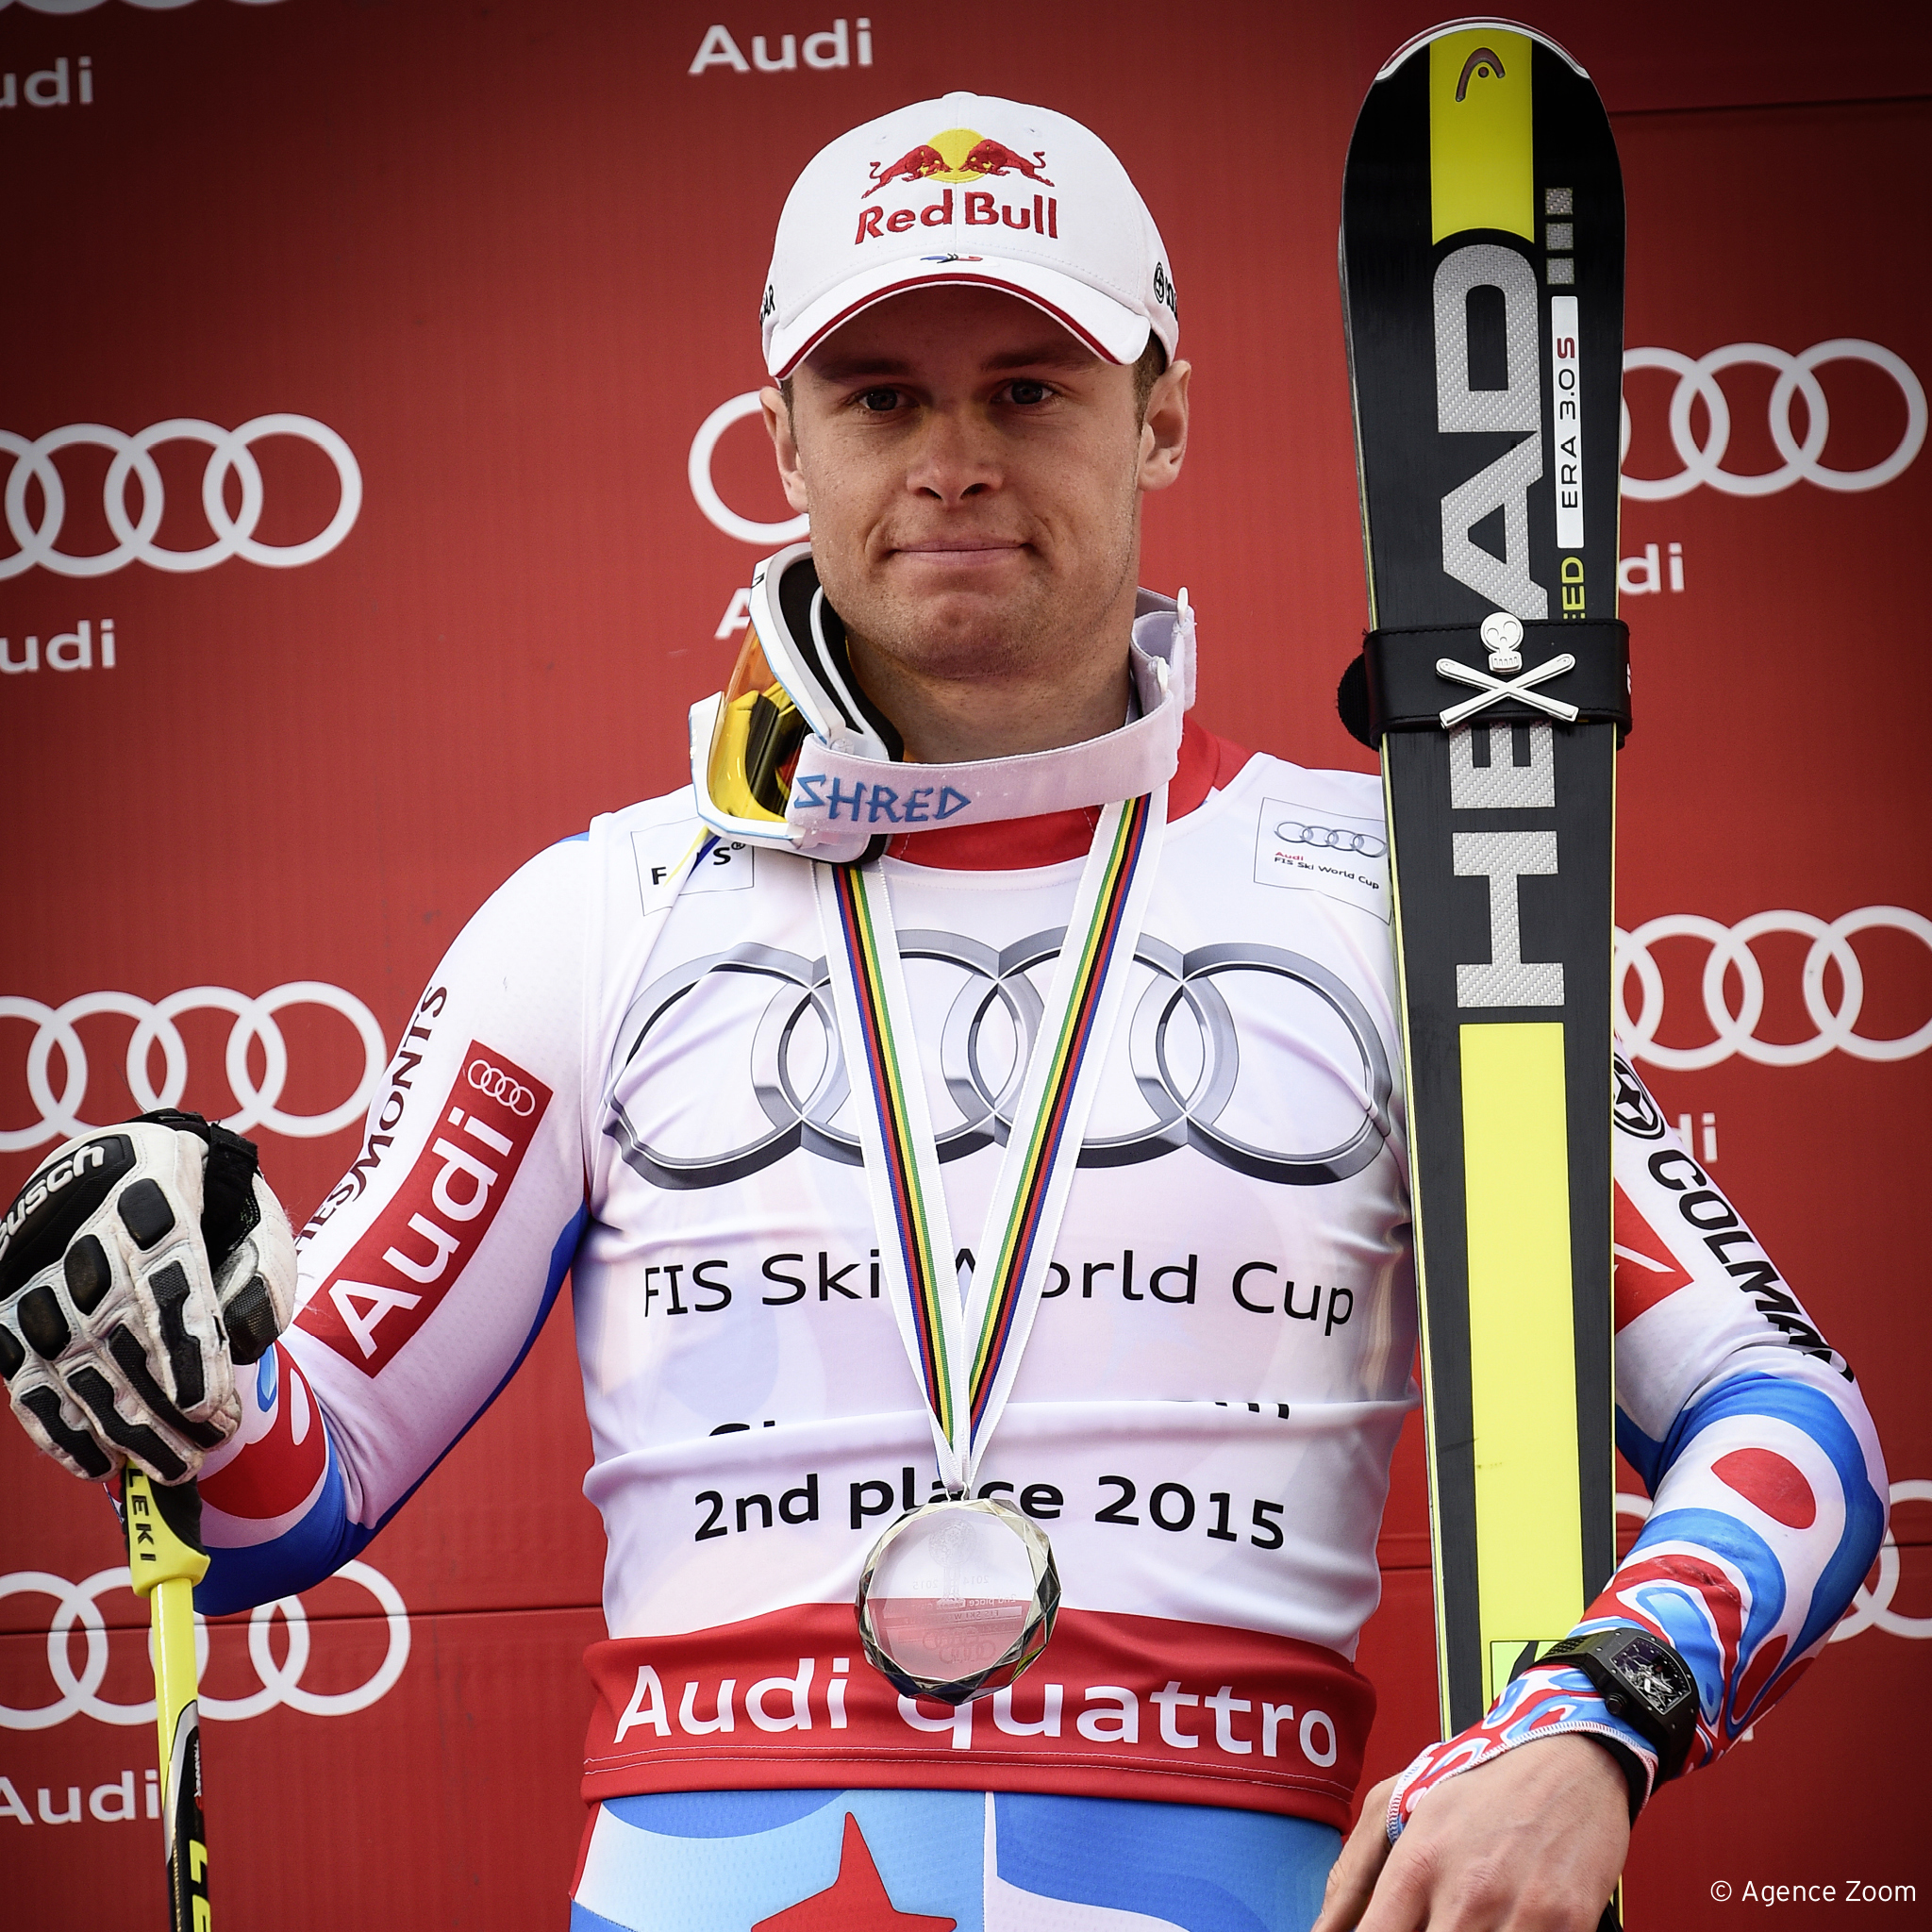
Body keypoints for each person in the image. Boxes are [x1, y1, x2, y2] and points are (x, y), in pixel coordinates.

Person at [0, 92, 1885, 1932]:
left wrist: (1598, 1717)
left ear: (1160, 420)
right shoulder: (594, 917)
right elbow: (273, 1502)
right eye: (883, 394)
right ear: (784, 441)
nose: (955, 455)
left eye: (1029, 388)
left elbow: (1783, 1411)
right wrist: (197, 1387)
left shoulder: (1402, 892)